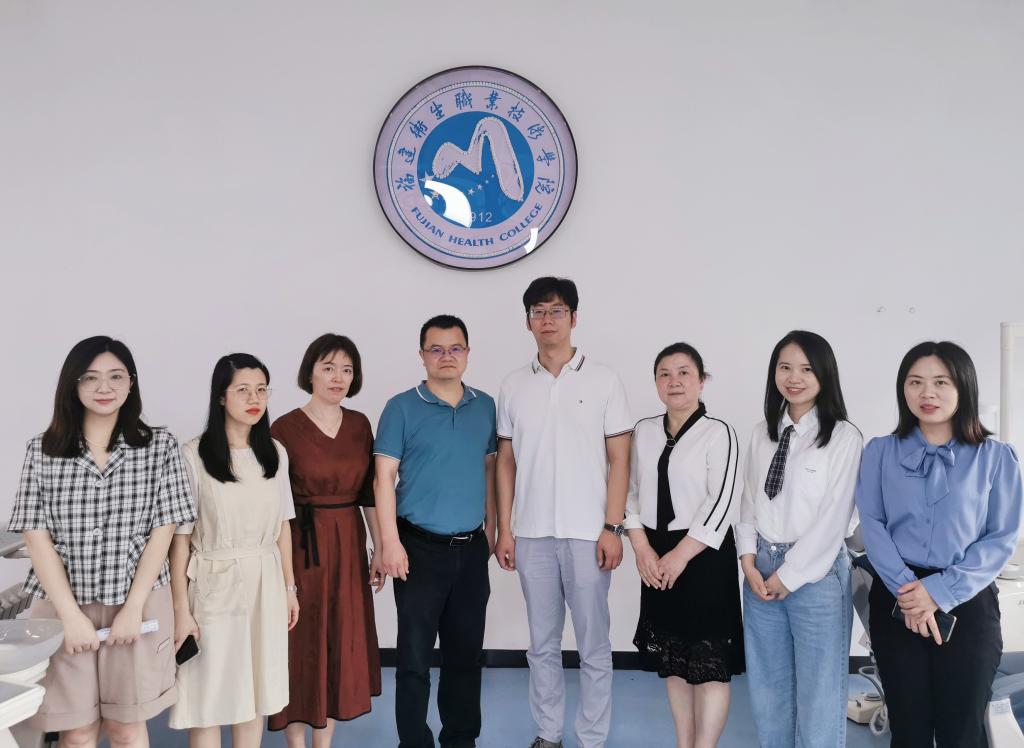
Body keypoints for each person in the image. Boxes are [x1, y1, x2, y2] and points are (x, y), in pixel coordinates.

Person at [8, 335, 196, 748]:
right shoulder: (42, 450)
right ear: (72, 385)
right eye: (90, 377)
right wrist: (70, 616)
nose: (104, 387)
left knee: (126, 729)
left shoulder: (159, 447)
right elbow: (36, 537)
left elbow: (163, 532)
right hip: (62, 604)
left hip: (138, 600)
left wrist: (133, 608)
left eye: (116, 376)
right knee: (76, 733)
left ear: (131, 383)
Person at [856, 341, 1024, 747]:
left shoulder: (996, 457)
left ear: (963, 386)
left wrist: (938, 592)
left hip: (967, 600)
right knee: (908, 729)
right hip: (897, 598)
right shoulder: (880, 452)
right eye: (915, 382)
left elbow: (1001, 536)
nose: (926, 393)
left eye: (940, 382)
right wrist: (909, 592)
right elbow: (872, 525)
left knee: (962, 730)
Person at [495, 277, 633, 748]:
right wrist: (506, 529)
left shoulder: (604, 380)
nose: (547, 319)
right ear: (527, 321)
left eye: (556, 310)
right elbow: (506, 462)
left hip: (588, 533)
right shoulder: (513, 384)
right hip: (531, 533)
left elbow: (620, 459)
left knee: (594, 645)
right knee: (541, 644)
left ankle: (591, 738)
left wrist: (612, 527)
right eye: (538, 311)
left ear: (574, 318)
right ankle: (548, 733)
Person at [375, 314, 497, 748]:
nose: (447, 356)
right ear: (422, 355)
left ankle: (461, 739)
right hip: (417, 549)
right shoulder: (401, 407)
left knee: (466, 657)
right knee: (413, 660)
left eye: (455, 348)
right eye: (436, 349)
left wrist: (494, 530)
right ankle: (414, 741)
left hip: (471, 549)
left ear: (468, 353)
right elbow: (382, 477)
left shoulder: (485, 406)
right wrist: (389, 543)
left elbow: (491, 470)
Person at [737, 331, 863, 748]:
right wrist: (748, 560)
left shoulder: (843, 438)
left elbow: (834, 520)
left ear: (825, 374)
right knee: (769, 689)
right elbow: (749, 499)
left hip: (816, 575)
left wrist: (788, 576)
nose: (794, 378)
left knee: (819, 693)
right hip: (760, 570)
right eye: (785, 367)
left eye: (807, 369)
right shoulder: (763, 432)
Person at [169, 353, 299, 747]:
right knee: (208, 694)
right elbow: (180, 540)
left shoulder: (275, 452)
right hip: (213, 580)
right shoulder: (193, 455)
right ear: (221, 397)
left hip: (265, 581)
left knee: (255, 692)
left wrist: (289, 588)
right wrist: (180, 610)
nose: (254, 398)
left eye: (261, 389)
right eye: (242, 389)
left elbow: (283, 525)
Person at [625, 342, 743, 748]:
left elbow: (721, 502)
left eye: (684, 373)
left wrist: (679, 556)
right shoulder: (642, 431)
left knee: (709, 666)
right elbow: (628, 491)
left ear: (701, 381)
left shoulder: (719, 432)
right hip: (654, 552)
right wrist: (641, 548)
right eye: (664, 374)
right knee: (674, 661)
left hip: (704, 556)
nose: (673, 381)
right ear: (656, 382)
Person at [268, 334, 383, 747]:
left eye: (347, 370)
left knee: (338, 639)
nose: (338, 377)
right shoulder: (283, 428)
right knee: (300, 641)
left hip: (349, 543)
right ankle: (295, 742)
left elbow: (370, 494)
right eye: (329, 368)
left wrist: (379, 549)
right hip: (300, 546)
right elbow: (274, 504)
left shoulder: (360, 425)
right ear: (310, 373)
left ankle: (323, 743)